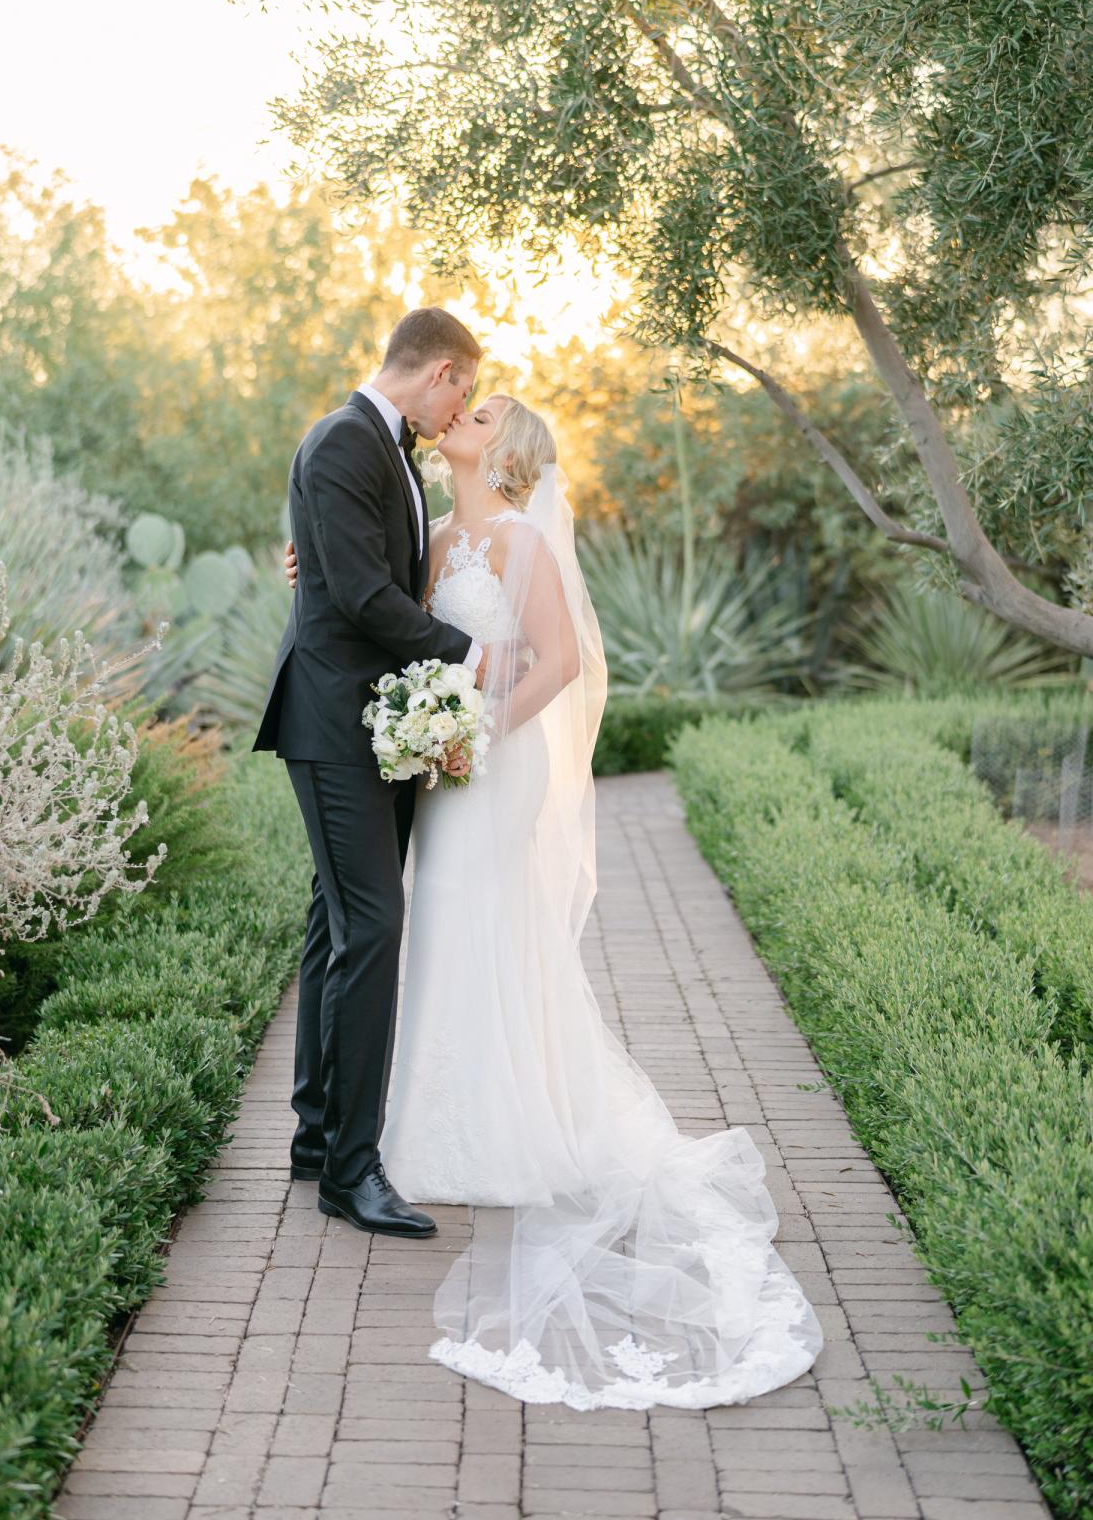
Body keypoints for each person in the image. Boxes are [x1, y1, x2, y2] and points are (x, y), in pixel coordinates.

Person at [280, 389, 825, 1411]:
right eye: (464, 407)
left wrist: (477, 736)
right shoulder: (437, 535)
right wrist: (316, 572)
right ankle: (418, 1124)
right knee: (435, 925)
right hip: (441, 768)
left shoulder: (526, 540)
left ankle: (503, 1118)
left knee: (487, 922)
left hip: (495, 766)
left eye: (480, 418)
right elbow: (382, 607)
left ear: (510, 451)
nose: (460, 424)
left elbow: (560, 662)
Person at [252, 305, 486, 1241]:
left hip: (371, 723)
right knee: (373, 929)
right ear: (439, 373)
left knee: (336, 923)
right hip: (334, 721)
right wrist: (472, 653)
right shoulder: (345, 440)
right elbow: (358, 594)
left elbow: (357, 567)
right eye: (461, 391)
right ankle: (352, 1172)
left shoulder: (382, 448)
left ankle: (317, 1137)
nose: (457, 411)